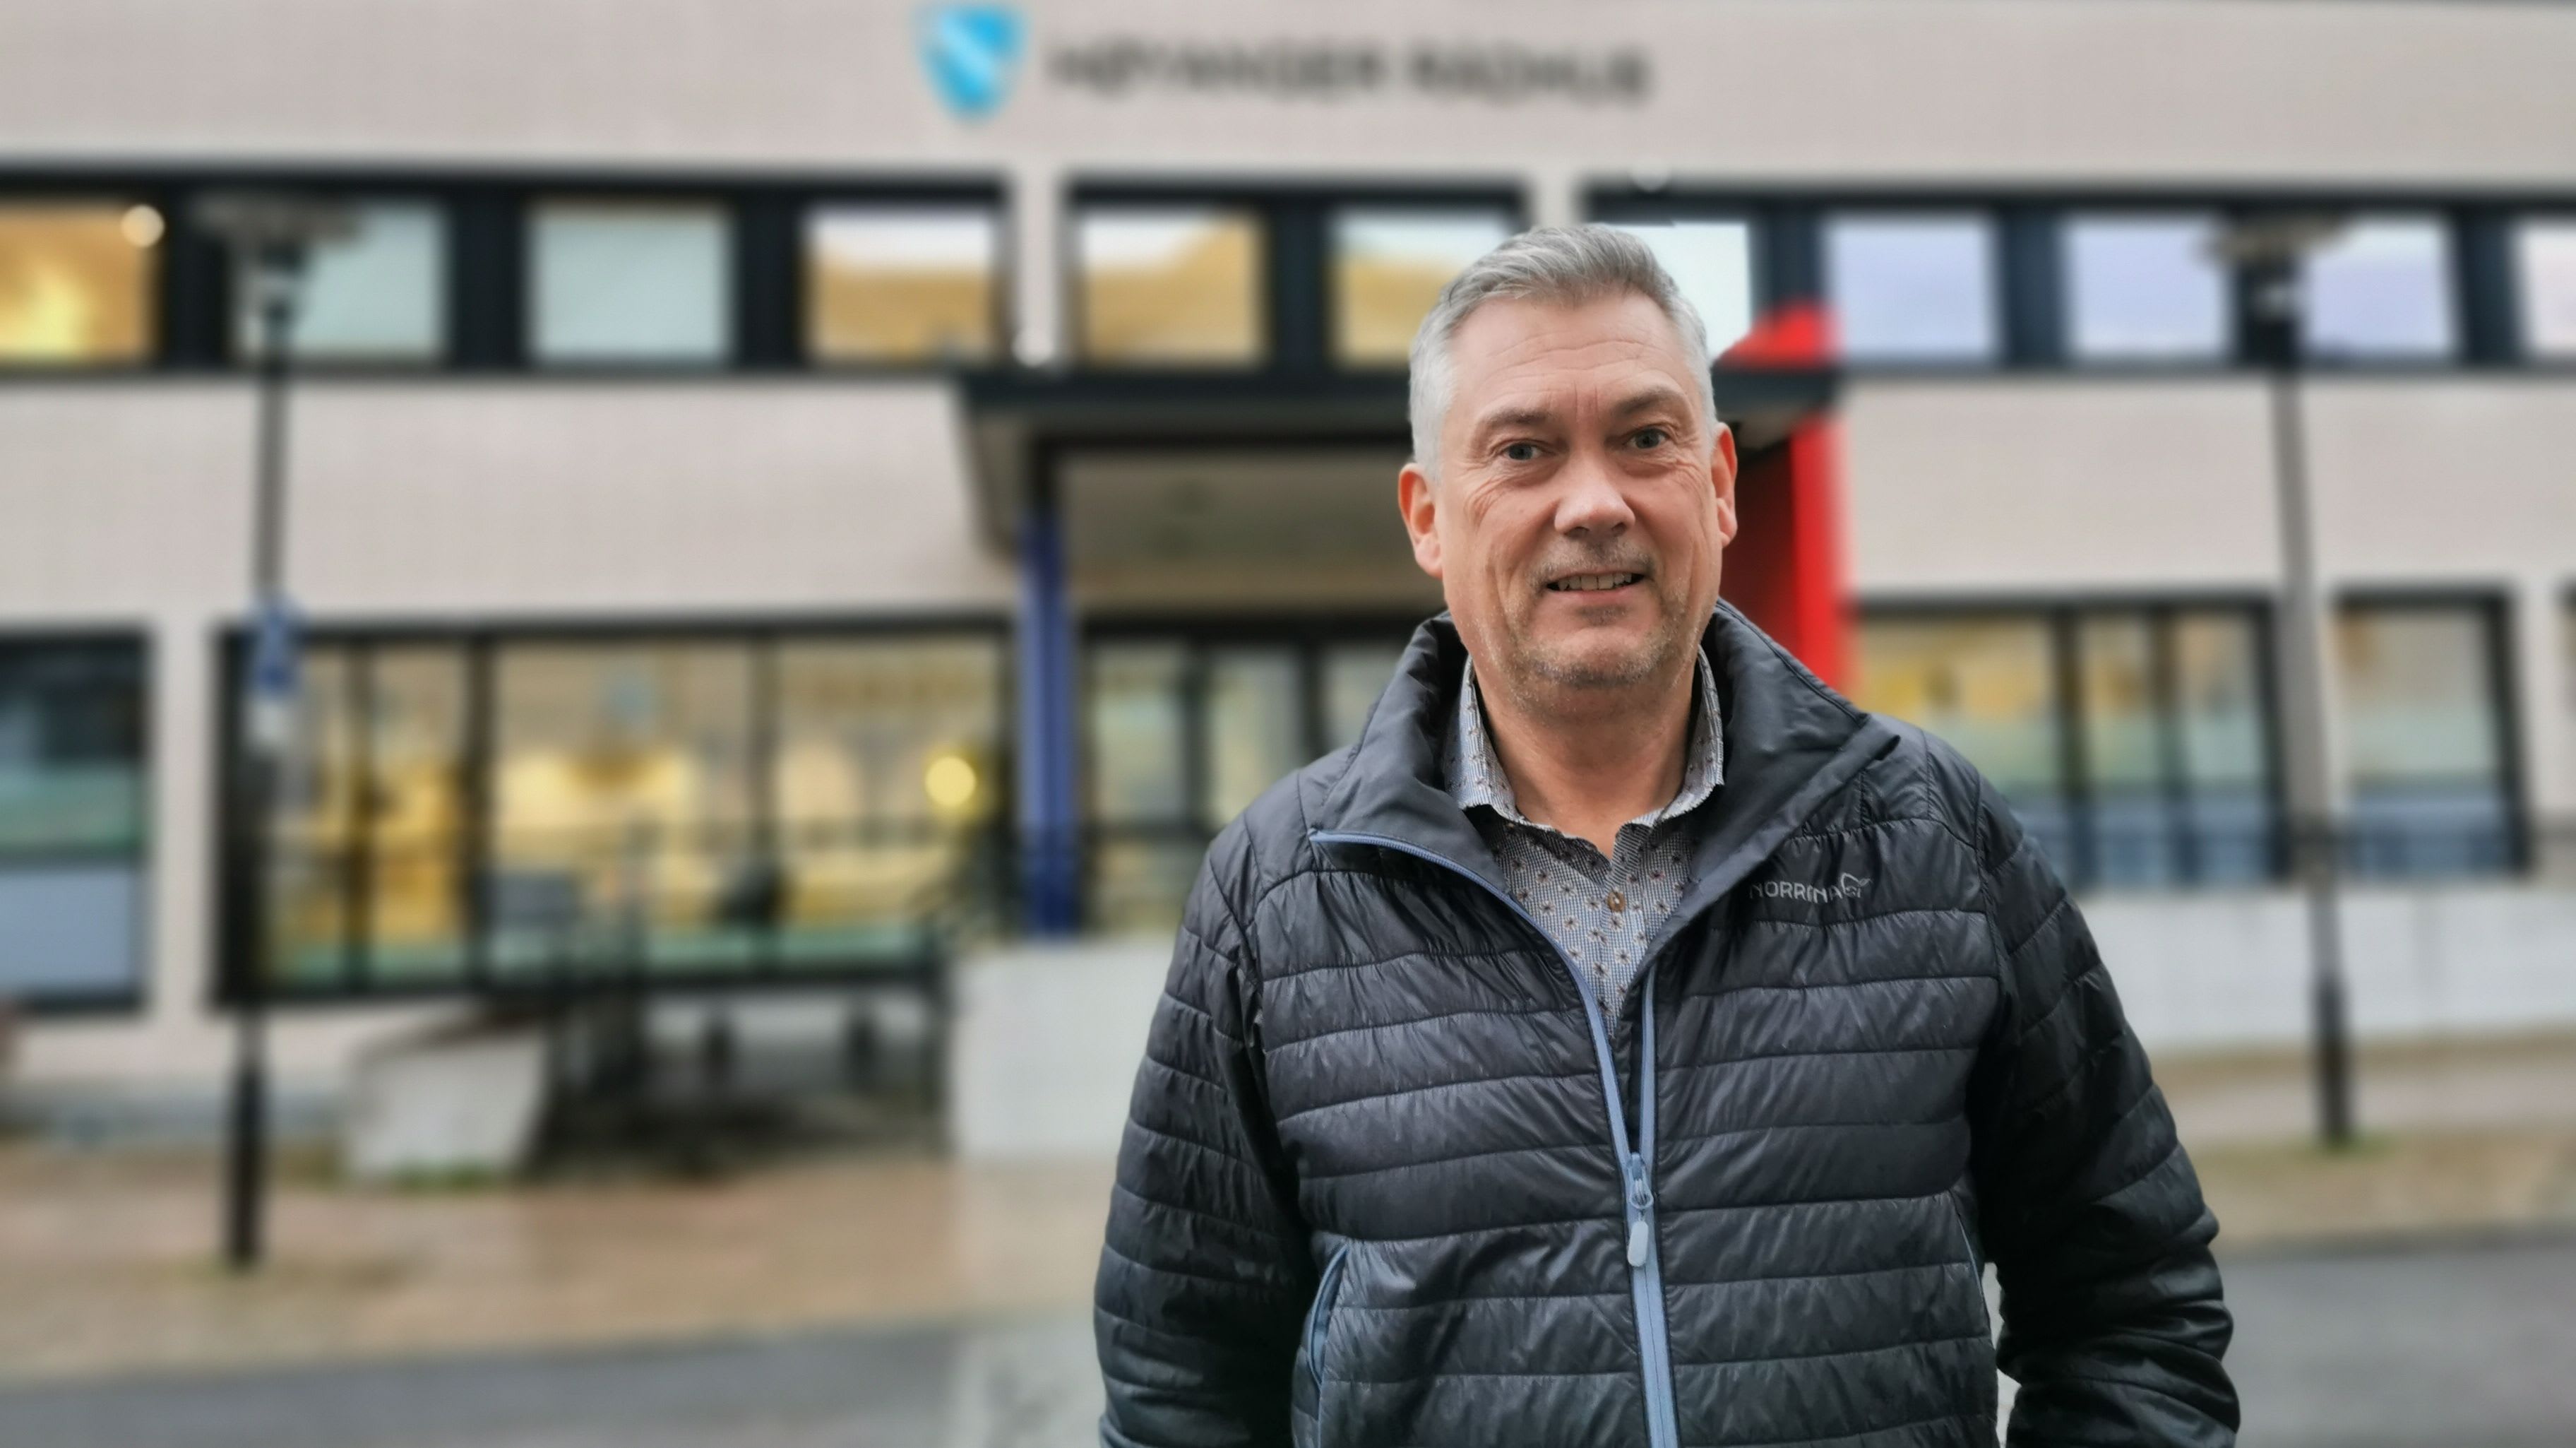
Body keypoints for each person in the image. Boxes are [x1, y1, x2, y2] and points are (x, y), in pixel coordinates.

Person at [1094, 225, 2237, 1447]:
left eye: (1645, 439)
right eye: (1524, 450)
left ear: (1721, 482)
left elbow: (2133, 1303)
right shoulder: (1278, 892)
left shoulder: (1928, 834)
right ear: (1427, 516)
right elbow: (1180, 1392)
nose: (1595, 503)